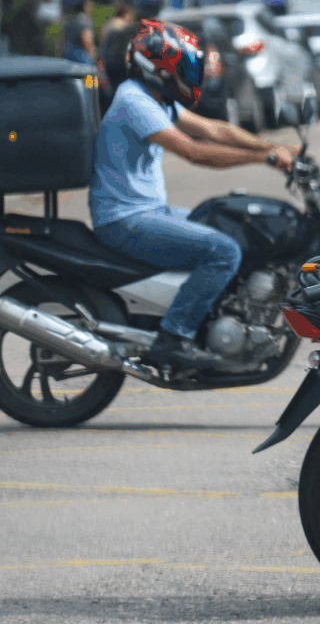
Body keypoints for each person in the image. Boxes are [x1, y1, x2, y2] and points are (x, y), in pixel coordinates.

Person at [90, 21, 296, 370]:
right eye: (183, 68)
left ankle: (217, 321)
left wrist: (270, 147)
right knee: (223, 251)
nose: (190, 75)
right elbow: (194, 151)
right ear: (158, 68)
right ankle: (173, 337)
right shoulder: (134, 101)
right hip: (124, 220)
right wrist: (265, 159)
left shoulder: (156, 99)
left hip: (149, 211)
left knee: (233, 229)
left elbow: (213, 129)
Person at [62, 0, 96, 65]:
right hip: (80, 54)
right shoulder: (84, 19)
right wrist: (92, 53)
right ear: (84, 6)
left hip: (67, 52)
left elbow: (63, 39)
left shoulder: (70, 19)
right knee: (88, 71)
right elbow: (86, 37)